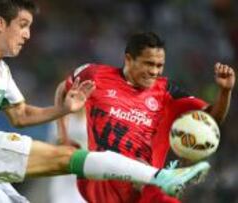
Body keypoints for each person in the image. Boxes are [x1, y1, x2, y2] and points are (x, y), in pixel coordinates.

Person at [0, 1, 212, 202]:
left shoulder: (2, 71)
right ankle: (162, 177)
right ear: (1, 23)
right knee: (65, 158)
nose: (27, 34)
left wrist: (63, 109)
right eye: (23, 24)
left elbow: (22, 115)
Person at [55, 32, 236, 203]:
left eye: (159, 66)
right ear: (128, 59)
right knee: (145, 174)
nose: (155, 71)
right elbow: (63, 89)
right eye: (149, 64)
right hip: (100, 184)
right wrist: (63, 136)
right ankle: (162, 178)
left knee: (147, 177)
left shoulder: (167, 92)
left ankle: (159, 178)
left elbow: (212, 119)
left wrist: (225, 91)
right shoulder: (95, 75)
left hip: (141, 193)